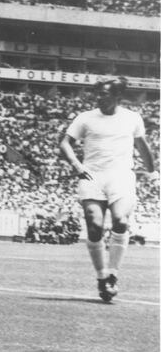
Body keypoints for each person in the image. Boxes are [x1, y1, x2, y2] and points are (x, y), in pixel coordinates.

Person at [59, 77, 156, 302]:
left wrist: (151, 170)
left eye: (104, 93)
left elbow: (142, 146)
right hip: (92, 175)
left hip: (121, 176)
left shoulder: (132, 118)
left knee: (121, 220)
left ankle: (113, 274)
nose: (99, 97)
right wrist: (77, 165)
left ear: (117, 96)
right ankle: (102, 276)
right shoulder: (85, 118)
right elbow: (65, 143)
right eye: (98, 93)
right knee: (94, 226)